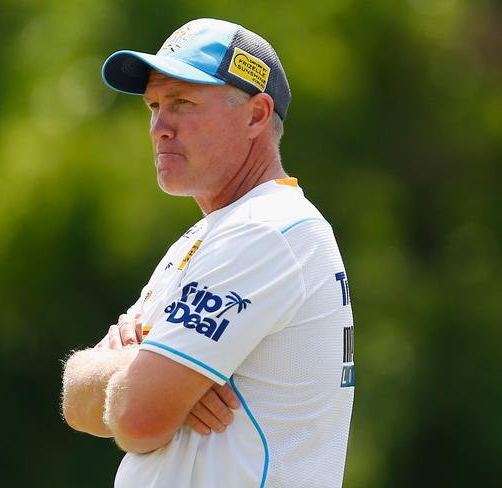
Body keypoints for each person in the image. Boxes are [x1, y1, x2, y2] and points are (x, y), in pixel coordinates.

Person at [61, 18, 355, 488]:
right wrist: (142, 371)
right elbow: (77, 405)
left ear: (257, 115)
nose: (159, 127)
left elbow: (139, 417)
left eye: (183, 103)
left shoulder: (268, 230)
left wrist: (148, 373)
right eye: (154, 105)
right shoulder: (212, 235)